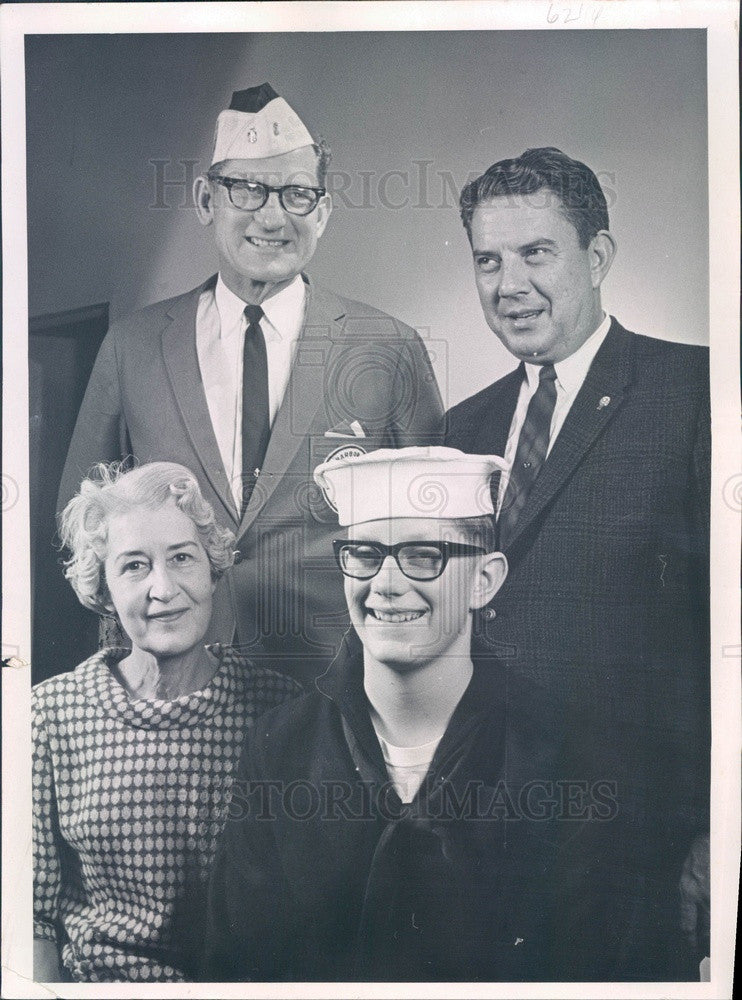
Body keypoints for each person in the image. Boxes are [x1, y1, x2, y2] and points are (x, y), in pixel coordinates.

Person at [57, 83, 443, 685]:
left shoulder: (387, 346)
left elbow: (436, 531)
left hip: (335, 683)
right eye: (247, 189)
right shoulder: (134, 346)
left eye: (296, 193)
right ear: (206, 199)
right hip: (176, 681)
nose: (272, 216)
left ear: (322, 210)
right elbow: (80, 525)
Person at [445, 147, 710, 978]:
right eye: (488, 260)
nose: (508, 284)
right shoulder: (462, 429)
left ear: (597, 257)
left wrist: (718, 826)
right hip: (478, 847)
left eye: (535, 253)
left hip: (637, 853)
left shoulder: (697, 392)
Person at [201, 447, 611, 982]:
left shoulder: (561, 752)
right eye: (365, 554)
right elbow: (235, 970)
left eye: (422, 555)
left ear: (484, 581)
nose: (387, 583)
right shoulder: (280, 747)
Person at [33, 462, 302, 983]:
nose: (163, 588)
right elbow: (34, 918)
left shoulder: (278, 707)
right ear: (103, 589)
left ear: (213, 569)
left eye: (182, 558)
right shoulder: (52, 714)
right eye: (134, 566)